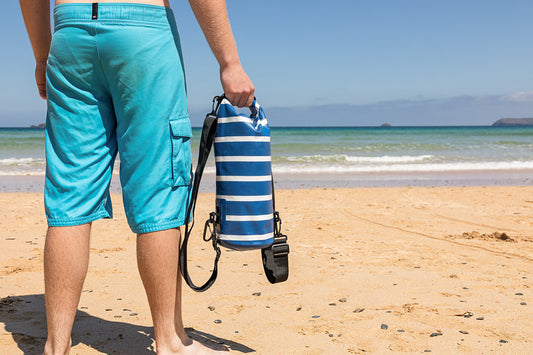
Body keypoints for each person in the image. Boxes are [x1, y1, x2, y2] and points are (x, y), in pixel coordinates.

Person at [19, 0, 254, 354]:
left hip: (71, 32)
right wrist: (230, 61)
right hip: (141, 29)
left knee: (70, 195)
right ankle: (170, 340)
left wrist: (41, 54)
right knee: (158, 190)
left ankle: (56, 345)